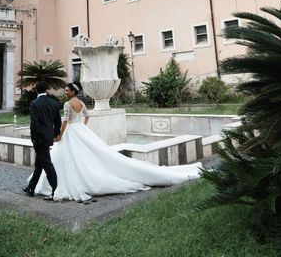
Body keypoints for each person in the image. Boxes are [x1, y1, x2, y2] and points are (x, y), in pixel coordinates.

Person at [33, 82, 201, 202]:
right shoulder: (82, 102)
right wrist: (82, 127)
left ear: (72, 92)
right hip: (81, 130)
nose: (66, 92)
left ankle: (58, 184)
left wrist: (60, 135)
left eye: (67, 90)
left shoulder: (68, 104)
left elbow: (65, 122)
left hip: (71, 131)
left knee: (69, 158)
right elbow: (87, 115)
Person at [22, 80, 61, 200]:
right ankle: (31, 187)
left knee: (47, 165)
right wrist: (54, 134)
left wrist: (33, 138)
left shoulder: (34, 103)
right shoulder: (53, 103)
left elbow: (34, 123)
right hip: (48, 137)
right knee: (39, 163)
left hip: (39, 139)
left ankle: (56, 191)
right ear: (46, 89)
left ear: (36, 90)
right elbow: (57, 122)